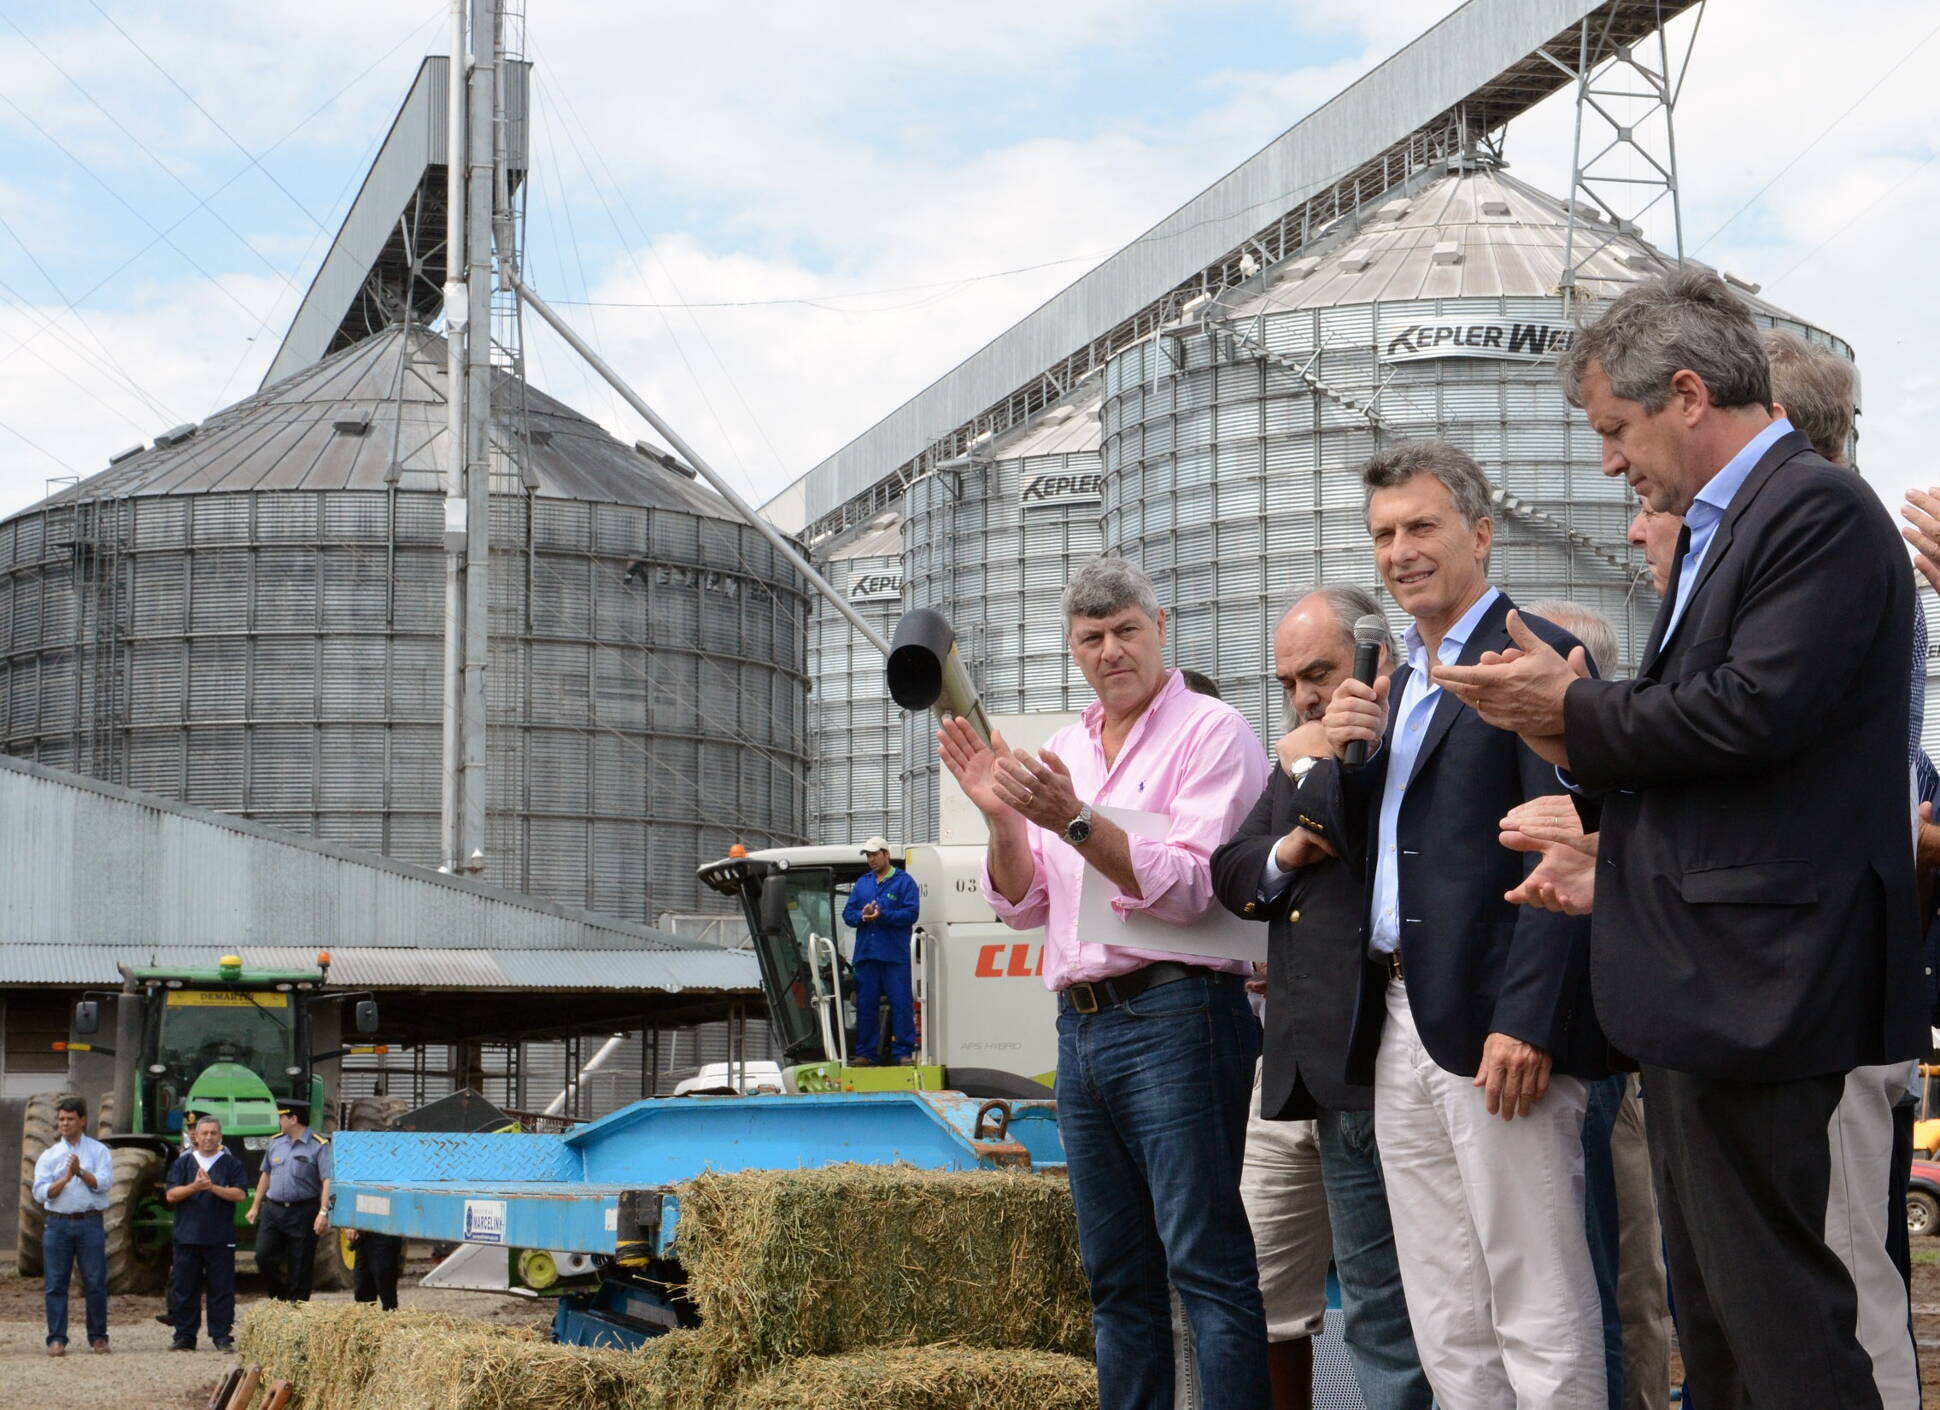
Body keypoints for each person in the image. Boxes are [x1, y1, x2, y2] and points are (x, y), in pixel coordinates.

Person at [1436, 268, 1923, 1409]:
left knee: (1779, 1328)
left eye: (1614, 429)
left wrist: (1571, 714)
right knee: (1718, 1329)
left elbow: (1754, 713)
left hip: (1760, 985)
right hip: (1710, 982)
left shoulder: (1810, 511)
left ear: (1687, 394)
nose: (1610, 462)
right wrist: (1594, 796)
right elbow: (1717, 748)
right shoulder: (1737, 527)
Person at [1315, 440, 1610, 1410]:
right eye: (1381, 534)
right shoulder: (1393, 680)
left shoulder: (1532, 655)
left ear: (1479, 534)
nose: (1397, 551)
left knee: (1534, 1295)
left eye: (1419, 527)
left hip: (1493, 1025)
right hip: (1400, 1014)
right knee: (1443, 1305)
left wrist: (1527, 1017)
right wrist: (1345, 762)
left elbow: (1566, 847)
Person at [939, 556, 1270, 1410]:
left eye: (1126, 630)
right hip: (1081, 1026)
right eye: (1092, 637)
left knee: (1205, 1264)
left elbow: (1201, 885)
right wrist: (1004, 821)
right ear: (1073, 648)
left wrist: (1074, 819)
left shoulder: (1213, 730)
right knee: (1116, 1274)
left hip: (1180, 1010)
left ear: (1161, 627)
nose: (1111, 650)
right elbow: (1023, 902)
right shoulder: (1063, 750)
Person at [1210, 585, 1432, 1410]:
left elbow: (1344, 825)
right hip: (1310, 1064)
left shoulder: (1396, 736)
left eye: (1320, 671)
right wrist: (1289, 849)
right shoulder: (1309, 747)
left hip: (1376, 1053)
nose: (1303, 696)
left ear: (1374, 657)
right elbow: (1232, 872)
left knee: (1389, 1304)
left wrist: (1306, 767)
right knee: (1335, 1300)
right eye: (1288, 682)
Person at [1525, 598, 1672, 1410]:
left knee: (1616, 1277)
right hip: (1532, 1058)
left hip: (1599, 1059)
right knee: (1564, 1279)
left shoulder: (1619, 779)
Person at [31, 1095, 113, 1357]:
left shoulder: (98, 1151)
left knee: (95, 1281)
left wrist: (80, 1172)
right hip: (58, 1225)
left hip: (90, 1222)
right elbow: (41, 1193)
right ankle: (56, 1338)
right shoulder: (49, 1155)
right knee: (56, 1283)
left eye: (70, 1119)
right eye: (61, 1119)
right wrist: (66, 1177)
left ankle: (98, 1337)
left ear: (82, 1120)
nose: (64, 1124)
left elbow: (103, 1183)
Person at [163, 1113, 247, 1352]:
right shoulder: (183, 1163)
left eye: (213, 1133)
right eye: (204, 1133)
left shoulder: (231, 1163)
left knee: (221, 1289)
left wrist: (212, 1187)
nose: (209, 1137)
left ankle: (221, 1335)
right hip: (187, 1236)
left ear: (220, 1136)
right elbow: (171, 1195)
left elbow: (239, 1194)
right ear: (196, 1137)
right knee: (185, 1288)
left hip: (219, 1237)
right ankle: (185, 1336)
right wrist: (195, 1187)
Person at [841, 835, 922, 1065]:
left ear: (886, 854)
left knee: (901, 1003)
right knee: (866, 1005)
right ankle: (866, 1053)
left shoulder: (904, 882)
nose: (871, 859)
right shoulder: (862, 883)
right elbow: (847, 915)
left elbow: (911, 914)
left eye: (875, 854)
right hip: (867, 955)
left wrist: (883, 915)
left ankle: (902, 1052)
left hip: (894, 955)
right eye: (868, 855)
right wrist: (862, 915)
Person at [245, 1097, 332, 1302]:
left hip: (303, 1211)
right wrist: (255, 1206)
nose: (279, 1122)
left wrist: (323, 1212)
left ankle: (296, 1307)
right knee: (263, 1256)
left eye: (282, 1117)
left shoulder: (319, 1146)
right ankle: (280, 1297)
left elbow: (327, 1180)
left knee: (300, 1263)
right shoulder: (275, 1143)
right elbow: (265, 1175)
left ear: (293, 1119)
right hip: (273, 1209)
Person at [349, 1228, 405, 1310]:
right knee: (362, 1282)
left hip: (385, 1229)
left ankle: (389, 1315)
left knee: (384, 1278)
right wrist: (350, 1224)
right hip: (363, 1232)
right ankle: (364, 1317)